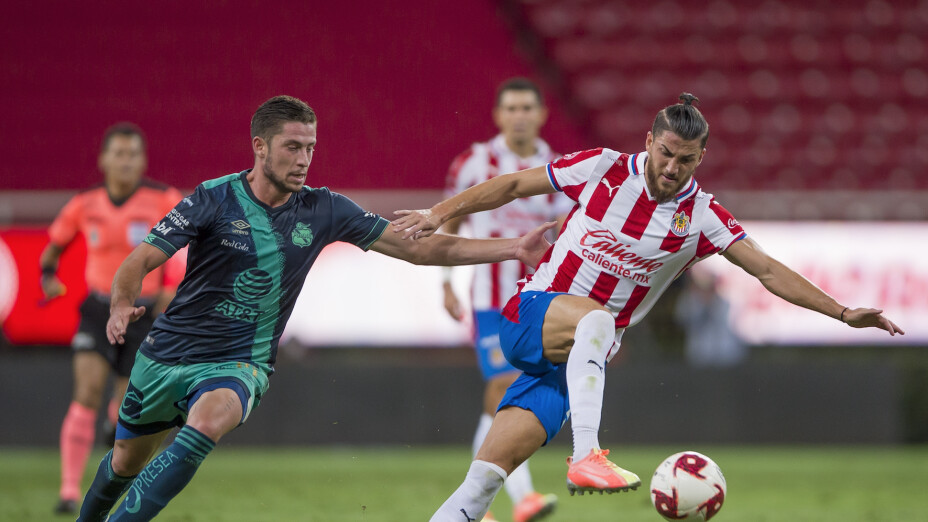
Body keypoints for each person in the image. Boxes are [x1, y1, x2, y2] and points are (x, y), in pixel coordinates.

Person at [392, 93, 905, 522]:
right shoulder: (602, 168)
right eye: (665, 153)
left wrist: (841, 313)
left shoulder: (703, 216)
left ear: (701, 158)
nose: (671, 168)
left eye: (685, 160)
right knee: (597, 318)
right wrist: (440, 213)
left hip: (569, 365)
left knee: (483, 481)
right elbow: (511, 184)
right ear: (648, 142)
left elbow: (767, 270)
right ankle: (586, 455)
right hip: (531, 315)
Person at [75, 95, 554, 521]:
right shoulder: (213, 197)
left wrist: (513, 247)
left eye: (310, 148)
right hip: (166, 354)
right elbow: (140, 259)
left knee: (206, 422)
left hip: (240, 363)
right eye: (292, 147)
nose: (304, 160)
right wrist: (121, 303)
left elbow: (420, 249)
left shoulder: (326, 209)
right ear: (260, 147)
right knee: (123, 462)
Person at [440, 77, 569, 522]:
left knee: (507, 395)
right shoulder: (474, 163)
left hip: (537, 302)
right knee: (501, 388)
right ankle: (522, 499)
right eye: (511, 108)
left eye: (527, 108)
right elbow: (451, 219)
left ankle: (482, 503)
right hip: (489, 300)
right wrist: (445, 283)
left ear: (541, 114)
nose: (519, 116)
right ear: (498, 115)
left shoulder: (560, 169)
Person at [39, 123, 183, 515]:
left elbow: (187, 246)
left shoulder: (163, 198)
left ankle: (111, 426)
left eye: (133, 153)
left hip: (144, 312)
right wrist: (47, 278)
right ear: (104, 160)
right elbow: (52, 250)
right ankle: (69, 490)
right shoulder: (83, 205)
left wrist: (172, 284)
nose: (125, 161)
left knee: (126, 406)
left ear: (143, 160)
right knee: (86, 391)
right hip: (98, 309)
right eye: (118, 153)